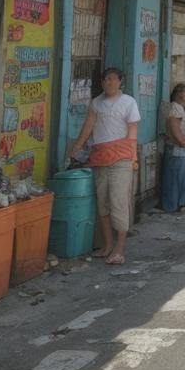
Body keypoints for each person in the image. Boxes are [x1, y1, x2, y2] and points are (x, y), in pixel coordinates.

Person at [68, 67, 140, 265]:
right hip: (100, 159)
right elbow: (88, 126)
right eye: (105, 79)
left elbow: (133, 132)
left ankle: (119, 249)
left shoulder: (129, 102)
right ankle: (108, 245)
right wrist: (76, 147)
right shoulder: (96, 103)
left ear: (120, 82)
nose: (108, 82)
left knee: (118, 202)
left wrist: (133, 158)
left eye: (112, 79)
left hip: (121, 160)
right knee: (103, 204)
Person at [162, 84, 185, 214]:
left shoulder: (179, 108)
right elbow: (176, 132)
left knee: (181, 179)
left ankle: (179, 205)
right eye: (184, 94)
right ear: (178, 95)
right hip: (178, 149)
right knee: (177, 180)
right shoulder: (175, 108)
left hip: (181, 150)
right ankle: (174, 206)